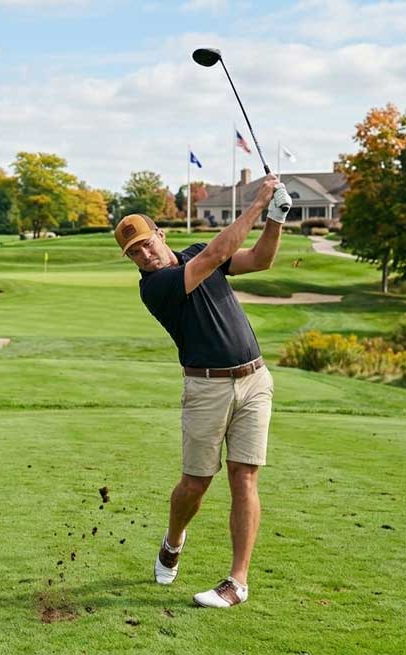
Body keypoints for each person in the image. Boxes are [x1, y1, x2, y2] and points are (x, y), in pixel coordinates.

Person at [115, 175, 288, 609]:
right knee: (195, 483)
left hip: (254, 380)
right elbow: (217, 253)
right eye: (134, 252)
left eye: (146, 243)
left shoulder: (190, 255)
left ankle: (237, 582)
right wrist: (256, 204)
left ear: (161, 234)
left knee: (244, 478)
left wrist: (275, 219)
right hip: (206, 387)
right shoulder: (155, 287)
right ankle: (173, 542)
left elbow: (260, 261)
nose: (144, 254)